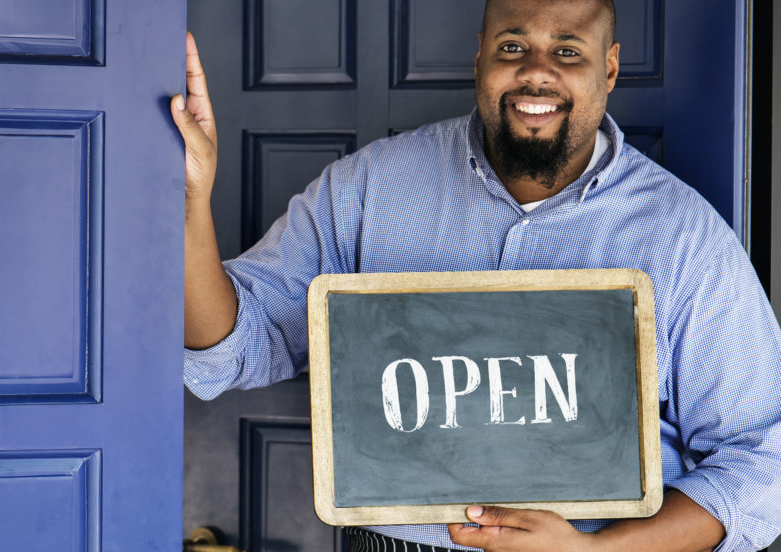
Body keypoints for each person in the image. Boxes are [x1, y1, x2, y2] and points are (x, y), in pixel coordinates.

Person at [170, 0, 781, 550]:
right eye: (512, 47)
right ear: (480, 58)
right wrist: (193, 201)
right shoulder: (366, 189)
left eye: (567, 51)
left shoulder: (683, 235)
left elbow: (764, 468)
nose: (536, 71)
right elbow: (233, 348)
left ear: (611, 68)